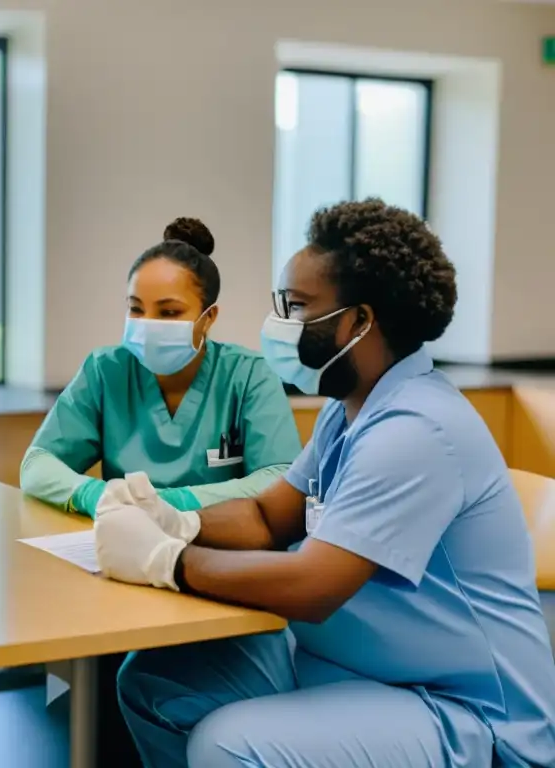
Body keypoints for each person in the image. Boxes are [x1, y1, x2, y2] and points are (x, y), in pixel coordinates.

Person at [95, 199, 555, 768]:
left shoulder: (418, 431)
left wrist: (168, 560)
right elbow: (270, 519)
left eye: (297, 306)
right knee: (159, 683)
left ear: (358, 321)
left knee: (229, 745)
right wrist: (173, 517)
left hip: (460, 712)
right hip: (351, 667)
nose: (280, 323)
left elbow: (313, 586)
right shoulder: (352, 410)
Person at [21, 217, 302, 766]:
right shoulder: (106, 369)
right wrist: (98, 498)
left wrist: (168, 506)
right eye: (135, 308)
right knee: (94, 697)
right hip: (125, 572)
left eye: (169, 313)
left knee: (162, 689)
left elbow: (279, 478)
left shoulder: (248, 376)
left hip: (222, 570)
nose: (147, 325)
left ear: (208, 318)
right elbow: (39, 464)